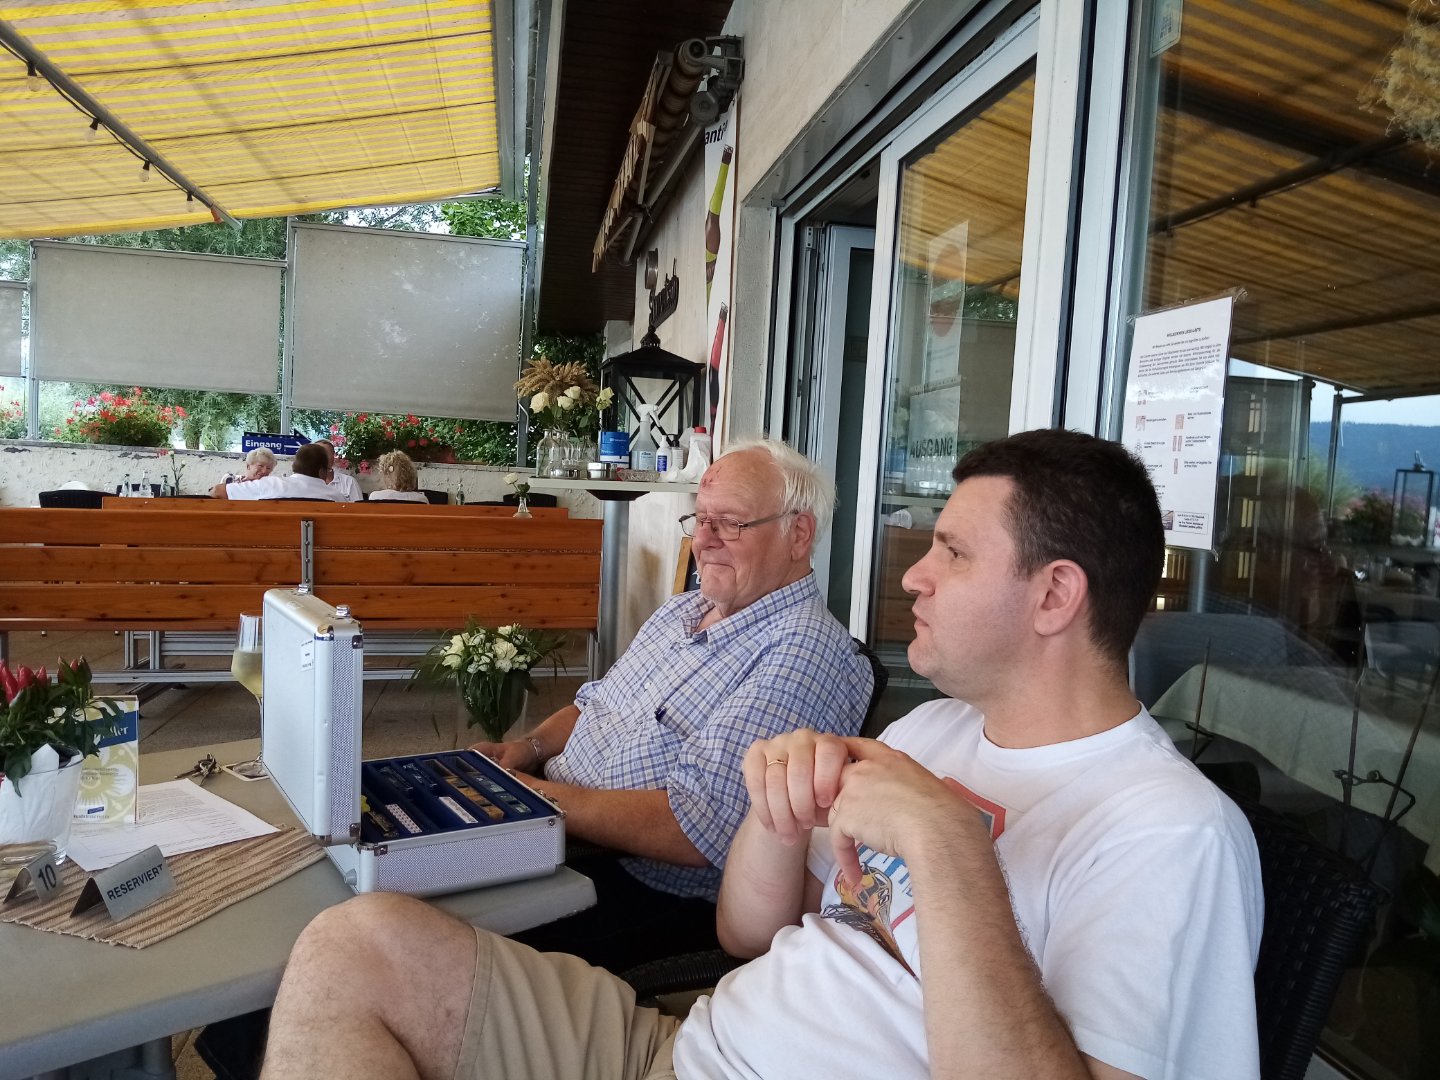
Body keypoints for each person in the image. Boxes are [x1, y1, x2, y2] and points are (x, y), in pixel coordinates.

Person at [260, 428, 1264, 1080]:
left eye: (952, 552)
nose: (912, 577)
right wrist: (775, 818)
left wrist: (949, 847)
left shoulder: (1168, 832)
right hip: (689, 1043)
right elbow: (747, 934)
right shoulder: (932, 734)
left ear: (1054, 595)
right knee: (356, 944)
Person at [471, 438, 874, 969]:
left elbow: (695, 827)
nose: (703, 540)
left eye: (729, 523)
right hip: (554, 822)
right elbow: (594, 704)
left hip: (630, 883)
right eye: (700, 519)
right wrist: (526, 749)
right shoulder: (683, 611)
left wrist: (535, 800)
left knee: (427, 930)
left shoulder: (802, 651)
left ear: (798, 534)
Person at [210, 443, 343, 501]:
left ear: (294, 467)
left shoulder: (270, 485)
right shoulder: (336, 497)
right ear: (322, 471)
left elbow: (217, 491)